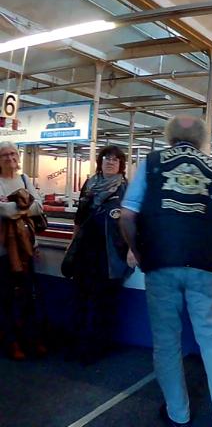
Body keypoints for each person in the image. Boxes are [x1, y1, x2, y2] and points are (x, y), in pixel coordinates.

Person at [120, 116, 212, 427]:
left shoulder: (151, 163)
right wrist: (204, 232)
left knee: (166, 341)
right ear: (202, 138)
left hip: (161, 261)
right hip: (204, 264)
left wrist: (138, 251)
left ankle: (178, 413)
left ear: (169, 135)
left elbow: (127, 215)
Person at [63, 145, 132, 365]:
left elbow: (133, 221)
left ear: (121, 165)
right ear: (100, 162)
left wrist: (132, 249)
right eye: (106, 158)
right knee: (80, 297)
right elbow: (79, 217)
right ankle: (78, 343)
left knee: (104, 300)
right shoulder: (89, 185)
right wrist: (72, 242)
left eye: (115, 159)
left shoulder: (126, 189)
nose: (110, 162)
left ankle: (98, 345)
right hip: (85, 250)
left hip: (110, 253)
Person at [0, 142, 45, 361]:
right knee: (5, 298)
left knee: (28, 296)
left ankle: (30, 338)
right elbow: (3, 211)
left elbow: (39, 207)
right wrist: (25, 205)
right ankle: (11, 342)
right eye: (4, 155)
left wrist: (13, 206)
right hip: (2, 251)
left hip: (25, 249)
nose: (10, 158)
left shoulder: (25, 179)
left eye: (13, 154)